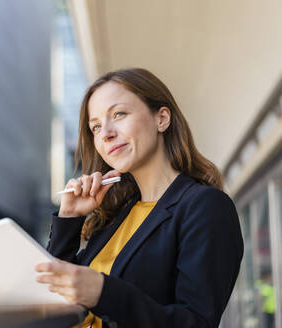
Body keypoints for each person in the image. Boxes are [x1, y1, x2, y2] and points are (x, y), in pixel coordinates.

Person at [34, 68, 244, 328]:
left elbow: (196, 322)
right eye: (96, 126)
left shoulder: (205, 207)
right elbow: (55, 295)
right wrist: (69, 218)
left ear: (162, 119)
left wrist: (103, 292)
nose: (106, 133)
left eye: (118, 114)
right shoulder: (116, 214)